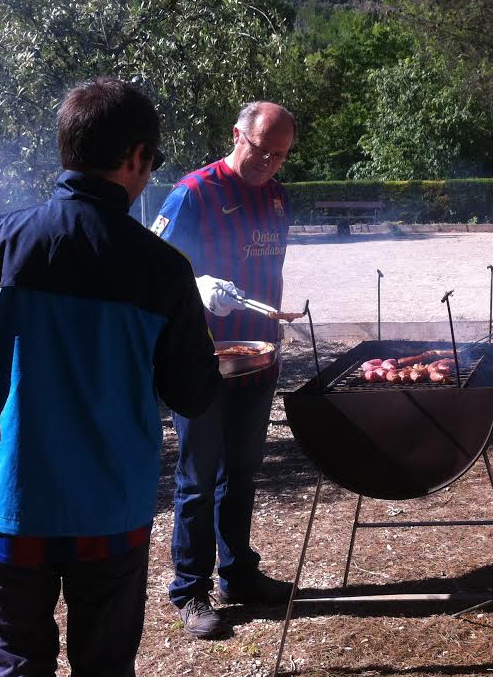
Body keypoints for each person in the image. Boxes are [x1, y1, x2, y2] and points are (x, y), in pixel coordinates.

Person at [0, 77, 222, 677]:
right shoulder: (163, 269)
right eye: (150, 163)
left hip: (6, 505)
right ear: (135, 157)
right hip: (108, 514)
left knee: (14, 665)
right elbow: (192, 392)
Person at [152, 101, 296, 639]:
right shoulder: (194, 193)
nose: (268, 163)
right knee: (197, 478)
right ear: (237, 135)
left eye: (279, 156)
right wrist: (195, 286)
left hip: (258, 359)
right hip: (201, 362)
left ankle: (238, 573)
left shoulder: (279, 197)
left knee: (242, 471)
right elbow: (150, 265)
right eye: (261, 149)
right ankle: (189, 590)